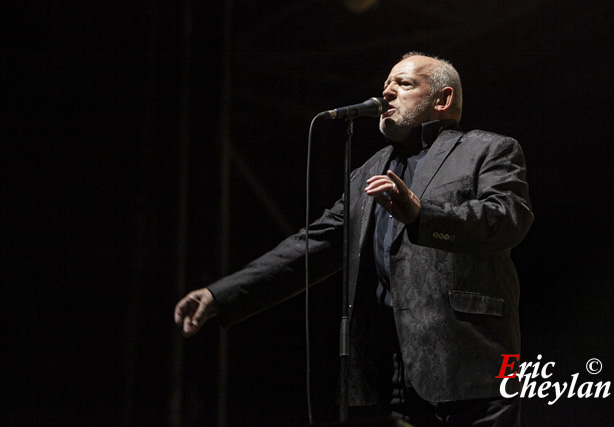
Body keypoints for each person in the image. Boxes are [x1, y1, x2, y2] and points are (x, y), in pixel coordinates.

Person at [174, 52, 534, 426]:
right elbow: (313, 245)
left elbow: (508, 219)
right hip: (386, 372)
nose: (388, 93)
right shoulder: (370, 170)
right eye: (386, 86)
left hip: (469, 364)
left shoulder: (486, 149)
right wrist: (223, 294)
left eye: (404, 84)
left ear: (442, 100)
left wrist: (422, 215)